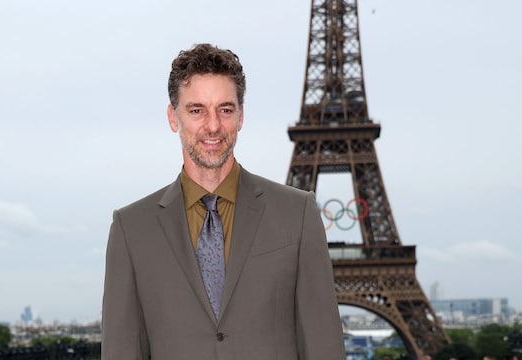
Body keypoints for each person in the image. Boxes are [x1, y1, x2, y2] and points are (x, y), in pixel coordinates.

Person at [101, 43, 345, 359]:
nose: (213, 125)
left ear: (240, 117)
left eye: (225, 109)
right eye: (197, 110)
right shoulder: (130, 230)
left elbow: (324, 348)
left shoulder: (297, 214)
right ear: (173, 117)